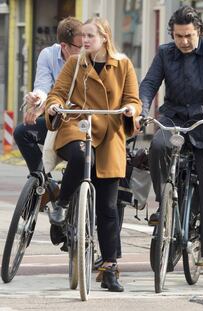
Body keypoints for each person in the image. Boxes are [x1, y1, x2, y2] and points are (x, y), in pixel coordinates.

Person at [139, 6, 203, 288]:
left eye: (189, 35)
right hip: (174, 117)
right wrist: (142, 110)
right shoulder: (165, 52)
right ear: (172, 34)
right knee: (157, 145)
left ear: (199, 31)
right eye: (179, 36)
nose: (184, 41)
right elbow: (149, 84)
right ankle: (163, 202)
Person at [45, 17, 141, 292]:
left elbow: (132, 99)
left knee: (108, 209)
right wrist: (53, 106)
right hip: (78, 125)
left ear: (104, 37)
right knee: (79, 155)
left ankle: (110, 268)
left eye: (90, 36)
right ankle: (62, 204)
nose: (85, 40)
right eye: (82, 36)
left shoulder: (122, 64)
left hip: (110, 133)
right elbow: (59, 92)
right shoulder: (75, 63)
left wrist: (131, 111)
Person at [13, 16, 83, 194]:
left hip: (82, 122)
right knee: (22, 132)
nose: (84, 49)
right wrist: (37, 99)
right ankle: (46, 183)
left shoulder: (89, 58)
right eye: (79, 46)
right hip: (57, 120)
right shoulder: (48, 55)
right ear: (64, 46)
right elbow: (43, 87)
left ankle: (69, 196)